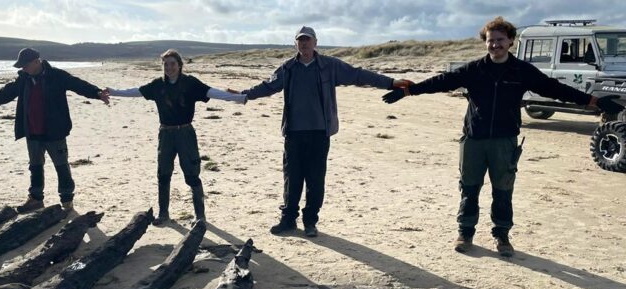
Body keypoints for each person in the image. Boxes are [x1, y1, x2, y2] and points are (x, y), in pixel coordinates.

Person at [383, 16, 624, 256]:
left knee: (503, 191)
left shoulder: (521, 71)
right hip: (474, 140)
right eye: (490, 40)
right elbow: (442, 81)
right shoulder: (474, 69)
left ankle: (502, 235)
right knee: (469, 188)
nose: (495, 45)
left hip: (504, 141)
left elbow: (555, 89)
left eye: (500, 40)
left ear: (510, 41)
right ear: (485, 42)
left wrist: (594, 101)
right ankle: (465, 233)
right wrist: (409, 91)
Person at [235, 26, 411, 237]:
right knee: (292, 178)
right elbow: (268, 86)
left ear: (315, 42)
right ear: (295, 44)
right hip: (294, 133)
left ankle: (310, 222)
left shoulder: (329, 66)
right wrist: (243, 95)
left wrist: (390, 83)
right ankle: (288, 220)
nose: (304, 44)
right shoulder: (288, 68)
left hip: (320, 132)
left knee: (315, 180)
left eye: (307, 40)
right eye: (300, 40)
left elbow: (358, 75)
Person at [105, 49, 246, 226]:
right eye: (166, 64)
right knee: (163, 174)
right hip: (165, 134)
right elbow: (137, 91)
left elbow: (212, 92)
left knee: (192, 174)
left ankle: (200, 216)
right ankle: (163, 214)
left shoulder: (190, 83)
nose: (169, 67)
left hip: (185, 133)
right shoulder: (157, 85)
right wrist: (114, 92)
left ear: (179, 65)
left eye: (172, 64)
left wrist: (237, 97)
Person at [0, 47, 110, 212]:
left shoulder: (57, 75)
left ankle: (67, 200)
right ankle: (36, 199)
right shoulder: (24, 79)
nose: (23, 69)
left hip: (54, 131)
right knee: (35, 167)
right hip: (32, 131)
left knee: (61, 166)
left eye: (25, 65)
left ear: (36, 62)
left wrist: (97, 93)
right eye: (22, 66)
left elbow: (78, 85)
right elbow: (7, 92)